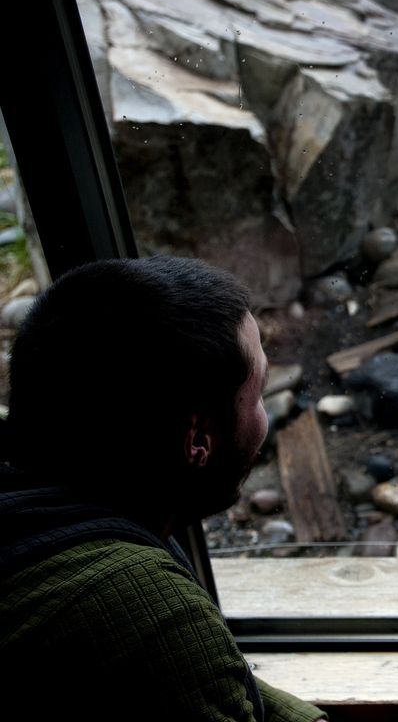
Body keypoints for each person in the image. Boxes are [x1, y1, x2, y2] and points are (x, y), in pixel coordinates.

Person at [0, 256, 326, 721]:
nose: (263, 417)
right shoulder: (144, 612)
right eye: (258, 393)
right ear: (197, 439)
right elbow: (170, 655)